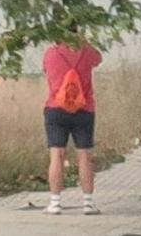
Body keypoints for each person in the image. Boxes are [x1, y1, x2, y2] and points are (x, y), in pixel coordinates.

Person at [41, 34, 104, 215]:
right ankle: (88, 203)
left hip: (55, 109)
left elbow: (45, 70)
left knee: (57, 155)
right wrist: (85, 43)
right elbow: (99, 58)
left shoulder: (50, 53)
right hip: (84, 109)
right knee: (84, 156)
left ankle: (55, 203)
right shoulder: (87, 52)